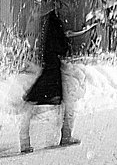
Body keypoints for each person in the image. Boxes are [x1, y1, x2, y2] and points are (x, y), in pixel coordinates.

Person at [19, 9, 80, 153]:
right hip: (53, 71)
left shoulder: (46, 24)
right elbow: (62, 47)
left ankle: (25, 142)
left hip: (48, 70)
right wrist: (66, 41)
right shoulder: (55, 24)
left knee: (32, 103)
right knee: (67, 104)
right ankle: (65, 136)